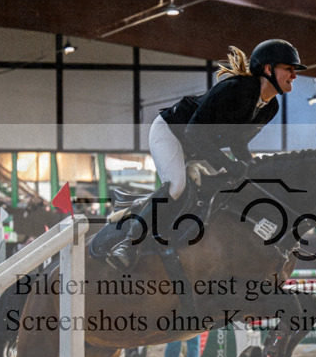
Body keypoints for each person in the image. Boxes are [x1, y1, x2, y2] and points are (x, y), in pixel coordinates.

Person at [105, 39, 305, 270]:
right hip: (172, 131)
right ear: (269, 69)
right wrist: (227, 164)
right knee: (176, 186)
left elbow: (238, 141)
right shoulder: (235, 89)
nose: (294, 75)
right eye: (289, 69)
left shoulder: (270, 107)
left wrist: (251, 167)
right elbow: (193, 132)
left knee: (223, 188)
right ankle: (129, 243)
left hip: (199, 145)